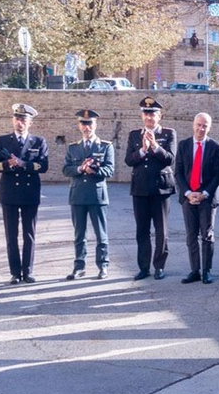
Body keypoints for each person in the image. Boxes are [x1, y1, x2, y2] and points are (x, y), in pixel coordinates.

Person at [0, 103, 49, 284]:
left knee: (29, 234)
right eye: (17, 119)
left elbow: (44, 166)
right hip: (9, 193)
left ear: (30, 123)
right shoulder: (3, 141)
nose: (20, 123)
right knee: (11, 235)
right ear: (13, 120)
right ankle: (15, 272)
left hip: (30, 193)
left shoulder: (38, 142)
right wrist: (9, 164)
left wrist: (23, 164)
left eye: (24, 120)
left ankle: (28, 271)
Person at [125, 96, 177, 280]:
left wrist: (155, 146)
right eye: (146, 114)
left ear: (159, 116)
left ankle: (159, 266)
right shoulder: (134, 135)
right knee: (142, 230)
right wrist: (142, 151)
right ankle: (144, 267)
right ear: (142, 116)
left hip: (161, 188)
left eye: (152, 114)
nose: (149, 117)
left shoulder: (168, 133)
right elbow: (129, 160)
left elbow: (170, 159)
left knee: (161, 230)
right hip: (140, 188)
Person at [62, 110, 114, 280]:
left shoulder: (105, 146)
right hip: (78, 195)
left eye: (90, 123)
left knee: (101, 233)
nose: (87, 127)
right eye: (83, 124)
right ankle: (79, 266)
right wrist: (80, 169)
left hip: (97, 196)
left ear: (95, 125)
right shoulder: (73, 147)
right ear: (79, 125)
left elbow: (110, 170)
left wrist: (94, 170)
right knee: (79, 234)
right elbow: (66, 169)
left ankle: (103, 265)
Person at [175, 112, 219, 284]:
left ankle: (206, 271)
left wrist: (205, 193)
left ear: (209, 127)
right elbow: (178, 173)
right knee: (191, 235)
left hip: (207, 198)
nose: (201, 128)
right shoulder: (183, 145)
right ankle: (194, 270)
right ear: (193, 125)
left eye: (205, 126)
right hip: (188, 197)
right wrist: (188, 193)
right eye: (199, 124)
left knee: (207, 235)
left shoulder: (215, 146)